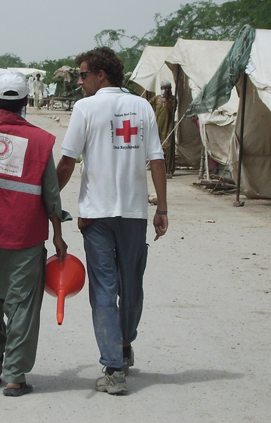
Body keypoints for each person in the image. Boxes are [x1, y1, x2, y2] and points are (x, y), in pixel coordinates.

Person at [56, 47, 168, 395]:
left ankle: (114, 367)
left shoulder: (86, 108)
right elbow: (157, 160)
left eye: (83, 74)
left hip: (97, 216)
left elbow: (68, 162)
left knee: (105, 288)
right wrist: (162, 208)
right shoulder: (143, 106)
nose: (80, 81)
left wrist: (47, 200)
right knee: (132, 284)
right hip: (134, 214)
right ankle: (123, 345)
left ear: (100, 75)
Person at [0, 67, 69, 397]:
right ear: (26, 101)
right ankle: (14, 376)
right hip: (25, 240)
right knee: (22, 308)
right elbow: (51, 194)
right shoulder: (38, 141)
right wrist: (58, 234)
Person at [149, 80, 176, 177]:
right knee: (158, 146)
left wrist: (167, 100)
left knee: (168, 147)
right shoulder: (156, 99)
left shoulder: (172, 99)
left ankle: (169, 169)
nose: (166, 90)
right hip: (158, 125)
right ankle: (160, 168)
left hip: (168, 126)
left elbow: (173, 110)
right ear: (161, 89)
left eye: (168, 88)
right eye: (164, 88)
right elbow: (148, 104)